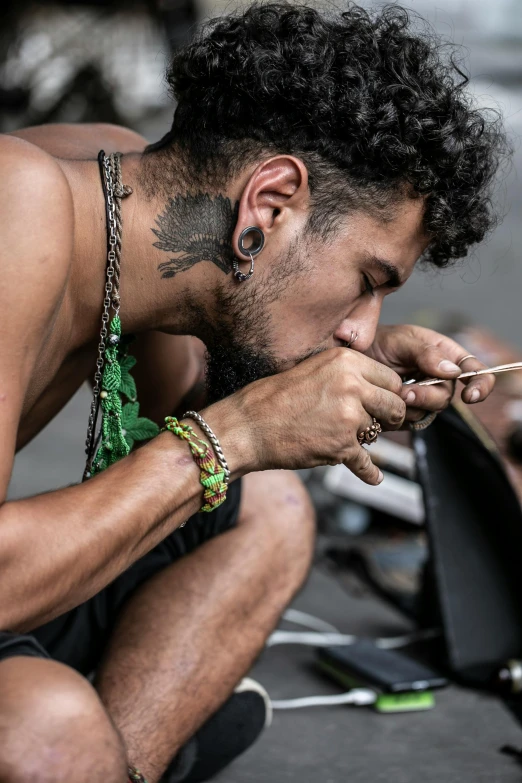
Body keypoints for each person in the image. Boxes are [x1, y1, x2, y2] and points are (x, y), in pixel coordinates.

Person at [0, 3, 505, 782]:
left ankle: (120, 764)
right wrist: (239, 432)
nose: (363, 330)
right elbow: (210, 440)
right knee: (48, 726)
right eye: (368, 283)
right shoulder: (17, 204)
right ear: (269, 203)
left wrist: (320, 393)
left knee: (266, 509)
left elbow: (181, 433)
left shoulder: (121, 186)